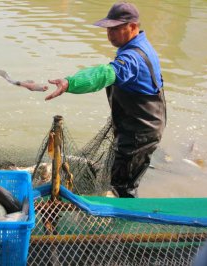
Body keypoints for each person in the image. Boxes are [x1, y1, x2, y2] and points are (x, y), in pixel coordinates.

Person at [45, 1, 166, 198]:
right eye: (108, 29)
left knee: (123, 188)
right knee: (123, 178)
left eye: (116, 29)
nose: (110, 34)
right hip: (139, 125)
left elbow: (105, 74)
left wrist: (69, 83)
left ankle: (122, 224)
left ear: (133, 27)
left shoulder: (132, 59)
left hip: (139, 133)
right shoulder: (139, 45)